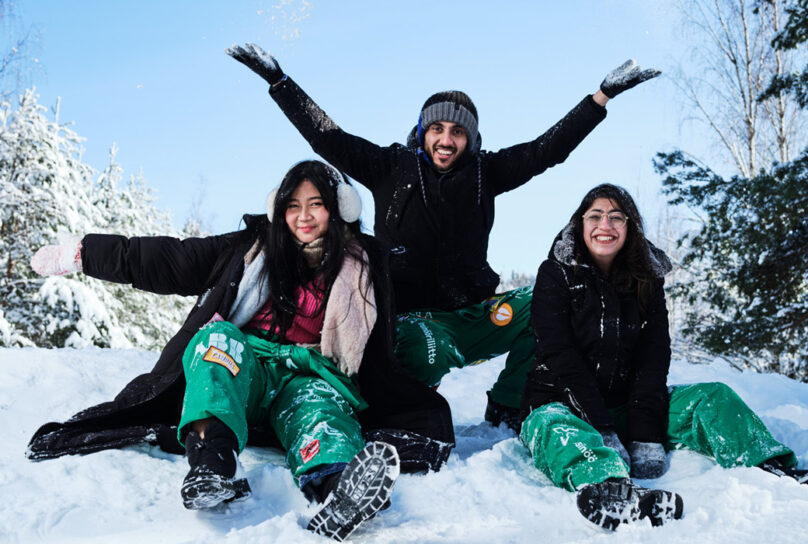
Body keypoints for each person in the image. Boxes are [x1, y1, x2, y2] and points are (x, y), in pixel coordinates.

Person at [226, 43, 661, 430]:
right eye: (437, 129)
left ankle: (509, 405)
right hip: (412, 322)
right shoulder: (390, 168)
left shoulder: (485, 174)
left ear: (469, 138)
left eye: (457, 131)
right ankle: (405, 412)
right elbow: (328, 138)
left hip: (472, 316)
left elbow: (548, 149)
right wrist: (280, 82)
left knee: (539, 307)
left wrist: (600, 97)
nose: (446, 139)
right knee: (423, 346)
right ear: (423, 132)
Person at [26, 160, 455, 541]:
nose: (303, 216)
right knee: (215, 342)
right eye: (292, 205)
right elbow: (169, 258)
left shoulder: (364, 268)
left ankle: (337, 486)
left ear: (340, 209)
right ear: (279, 210)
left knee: (318, 409)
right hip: (245, 368)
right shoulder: (248, 250)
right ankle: (213, 464)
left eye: (316, 204)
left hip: (311, 373)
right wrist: (85, 253)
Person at [519, 183, 807, 530]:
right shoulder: (554, 273)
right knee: (556, 428)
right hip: (561, 403)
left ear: (630, 226)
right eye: (594, 216)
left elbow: (654, 358)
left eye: (616, 217)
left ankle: (771, 466)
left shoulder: (648, 280)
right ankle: (610, 487)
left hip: (629, 405)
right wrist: (601, 426)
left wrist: (645, 433)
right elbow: (559, 354)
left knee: (712, 397)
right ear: (579, 224)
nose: (604, 225)